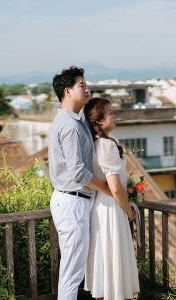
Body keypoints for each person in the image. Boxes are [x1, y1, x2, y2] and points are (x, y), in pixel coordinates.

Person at [48, 66, 112, 300]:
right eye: (81, 85)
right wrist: (107, 188)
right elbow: (77, 172)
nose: (87, 89)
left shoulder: (79, 120)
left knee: (75, 270)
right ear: (68, 91)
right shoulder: (69, 125)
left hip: (76, 201)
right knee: (72, 273)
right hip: (71, 201)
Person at [84, 98, 140, 299]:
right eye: (110, 113)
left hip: (99, 207)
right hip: (111, 208)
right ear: (98, 121)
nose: (114, 116)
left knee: (104, 261)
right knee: (114, 259)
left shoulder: (95, 144)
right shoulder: (107, 145)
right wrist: (128, 210)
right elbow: (115, 188)